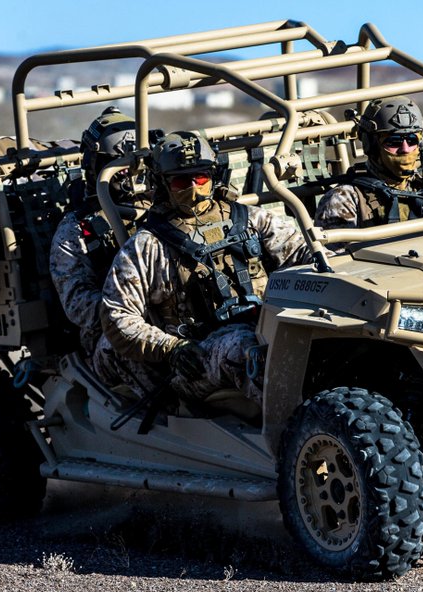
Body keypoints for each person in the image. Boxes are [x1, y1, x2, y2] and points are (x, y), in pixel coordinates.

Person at [95, 131, 313, 414]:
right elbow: (117, 316)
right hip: (196, 357)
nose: (194, 189)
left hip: (267, 326)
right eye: (181, 181)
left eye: (200, 178)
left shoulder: (251, 219)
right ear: (162, 184)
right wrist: (172, 348)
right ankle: (299, 428)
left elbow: (304, 256)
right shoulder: (148, 246)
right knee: (246, 351)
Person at [49, 106, 149, 357]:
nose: (128, 174)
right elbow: (77, 303)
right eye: (118, 166)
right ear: (96, 165)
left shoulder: (161, 207)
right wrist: (134, 315)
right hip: (114, 333)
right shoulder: (76, 228)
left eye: (132, 165)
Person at [315, 96, 423, 231]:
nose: (405, 149)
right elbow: (336, 251)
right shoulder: (345, 199)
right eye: (394, 141)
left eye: (412, 140)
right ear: (372, 145)